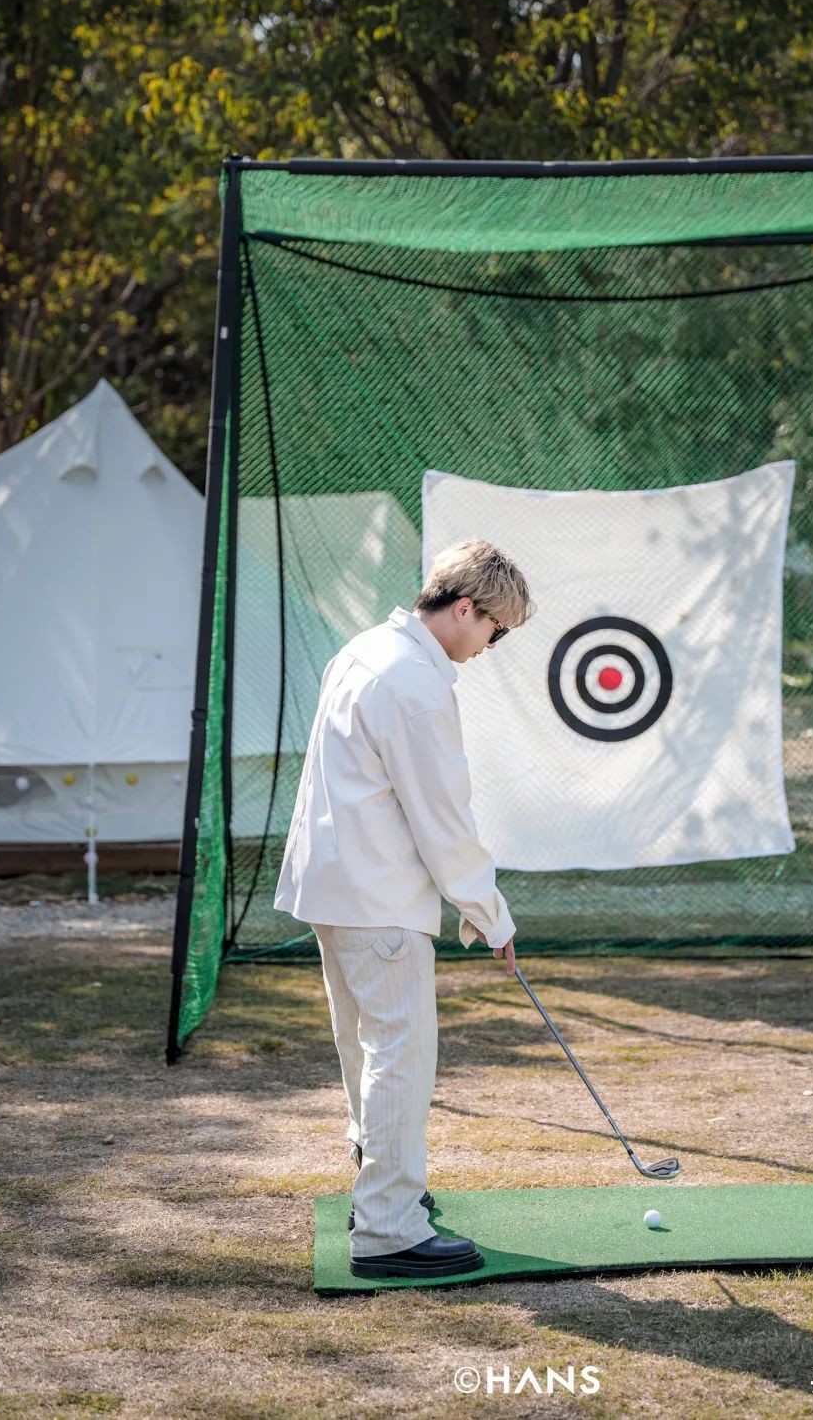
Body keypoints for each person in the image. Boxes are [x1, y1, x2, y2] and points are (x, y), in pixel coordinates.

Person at [274, 538, 535, 1279]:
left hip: (335, 886)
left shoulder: (364, 648)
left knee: (365, 1043)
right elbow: (443, 816)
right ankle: (388, 1225)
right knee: (401, 1051)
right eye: (496, 628)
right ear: (464, 608)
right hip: (377, 894)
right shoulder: (416, 684)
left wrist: (474, 903)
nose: (492, 644)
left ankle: (378, 1182)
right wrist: (489, 910)